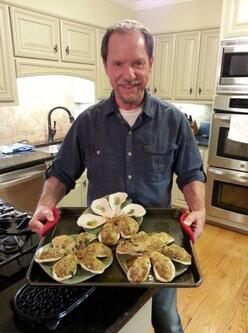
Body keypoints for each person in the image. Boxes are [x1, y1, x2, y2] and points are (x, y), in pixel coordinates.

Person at [29, 19, 206, 333]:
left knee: (166, 320)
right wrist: (45, 203)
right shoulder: (86, 122)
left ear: (150, 63)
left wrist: (199, 209)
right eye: (118, 64)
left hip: (157, 240)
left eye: (138, 62)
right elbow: (61, 173)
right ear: (106, 67)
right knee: (106, 322)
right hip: (99, 246)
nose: (129, 74)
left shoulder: (174, 120)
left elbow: (191, 172)